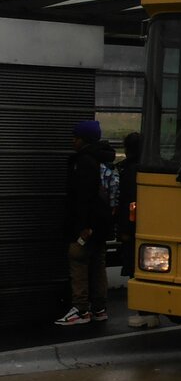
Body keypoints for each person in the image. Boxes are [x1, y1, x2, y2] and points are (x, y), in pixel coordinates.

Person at [56, 120, 116, 326]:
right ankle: (99, 308)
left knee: (78, 259)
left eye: (76, 137)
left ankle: (80, 310)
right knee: (98, 264)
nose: (73, 141)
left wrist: (82, 226)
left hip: (85, 225)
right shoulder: (105, 160)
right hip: (103, 223)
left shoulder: (83, 162)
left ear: (84, 139)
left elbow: (82, 197)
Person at [116, 132, 158, 328]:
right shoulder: (152, 168)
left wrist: (125, 228)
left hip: (134, 229)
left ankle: (145, 313)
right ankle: (150, 311)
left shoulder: (130, 171)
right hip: (150, 226)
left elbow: (129, 203)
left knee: (136, 268)